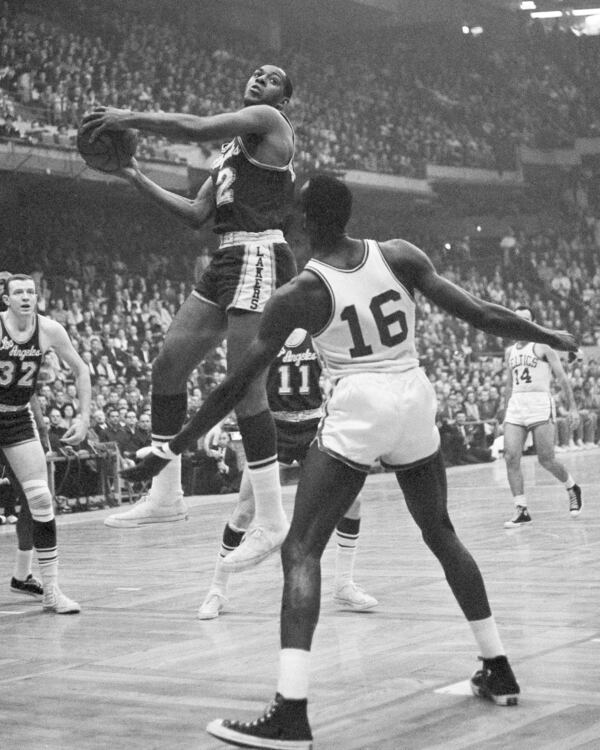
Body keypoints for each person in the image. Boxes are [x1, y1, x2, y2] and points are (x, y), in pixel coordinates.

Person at [123, 176, 578, 747]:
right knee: (440, 532)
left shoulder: (300, 293)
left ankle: (291, 712)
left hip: (359, 403)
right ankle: (498, 665)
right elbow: (484, 315)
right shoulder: (400, 255)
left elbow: (239, 383)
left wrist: (172, 444)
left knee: (300, 549)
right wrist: (549, 334)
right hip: (413, 393)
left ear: (304, 221)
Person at [82, 65, 297, 567]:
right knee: (168, 367)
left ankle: (270, 519)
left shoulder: (267, 121)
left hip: (261, 253)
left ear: (284, 101)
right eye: (256, 73)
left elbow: (194, 128)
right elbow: (196, 215)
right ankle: (165, 496)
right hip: (226, 257)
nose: (260, 78)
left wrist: (126, 115)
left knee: (246, 388)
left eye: (272, 78)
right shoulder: (231, 153)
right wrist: (132, 174)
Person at [198, 328, 378, 619]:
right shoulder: (266, 333)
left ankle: (343, 583)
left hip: (313, 426)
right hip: (273, 428)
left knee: (352, 501)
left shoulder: (318, 333)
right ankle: (216, 590)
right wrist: (220, 421)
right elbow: (241, 382)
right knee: (244, 510)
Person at [1, 274, 92, 614]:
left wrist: (83, 417)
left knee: (40, 496)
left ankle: (51, 590)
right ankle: (25, 577)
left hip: (16, 416)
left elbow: (81, 369)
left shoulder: (50, 329)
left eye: (30, 291)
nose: (25, 296)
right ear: (6, 299)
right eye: (18, 292)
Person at [502, 306, 582, 528]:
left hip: (539, 402)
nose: (522, 322)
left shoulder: (543, 346)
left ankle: (571, 487)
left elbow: (563, 379)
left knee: (545, 458)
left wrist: (573, 408)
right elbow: (509, 384)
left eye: (526, 319)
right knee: (510, 456)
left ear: (533, 323)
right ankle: (521, 509)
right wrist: (505, 410)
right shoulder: (510, 352)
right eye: (518, 319)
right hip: (517, 404)